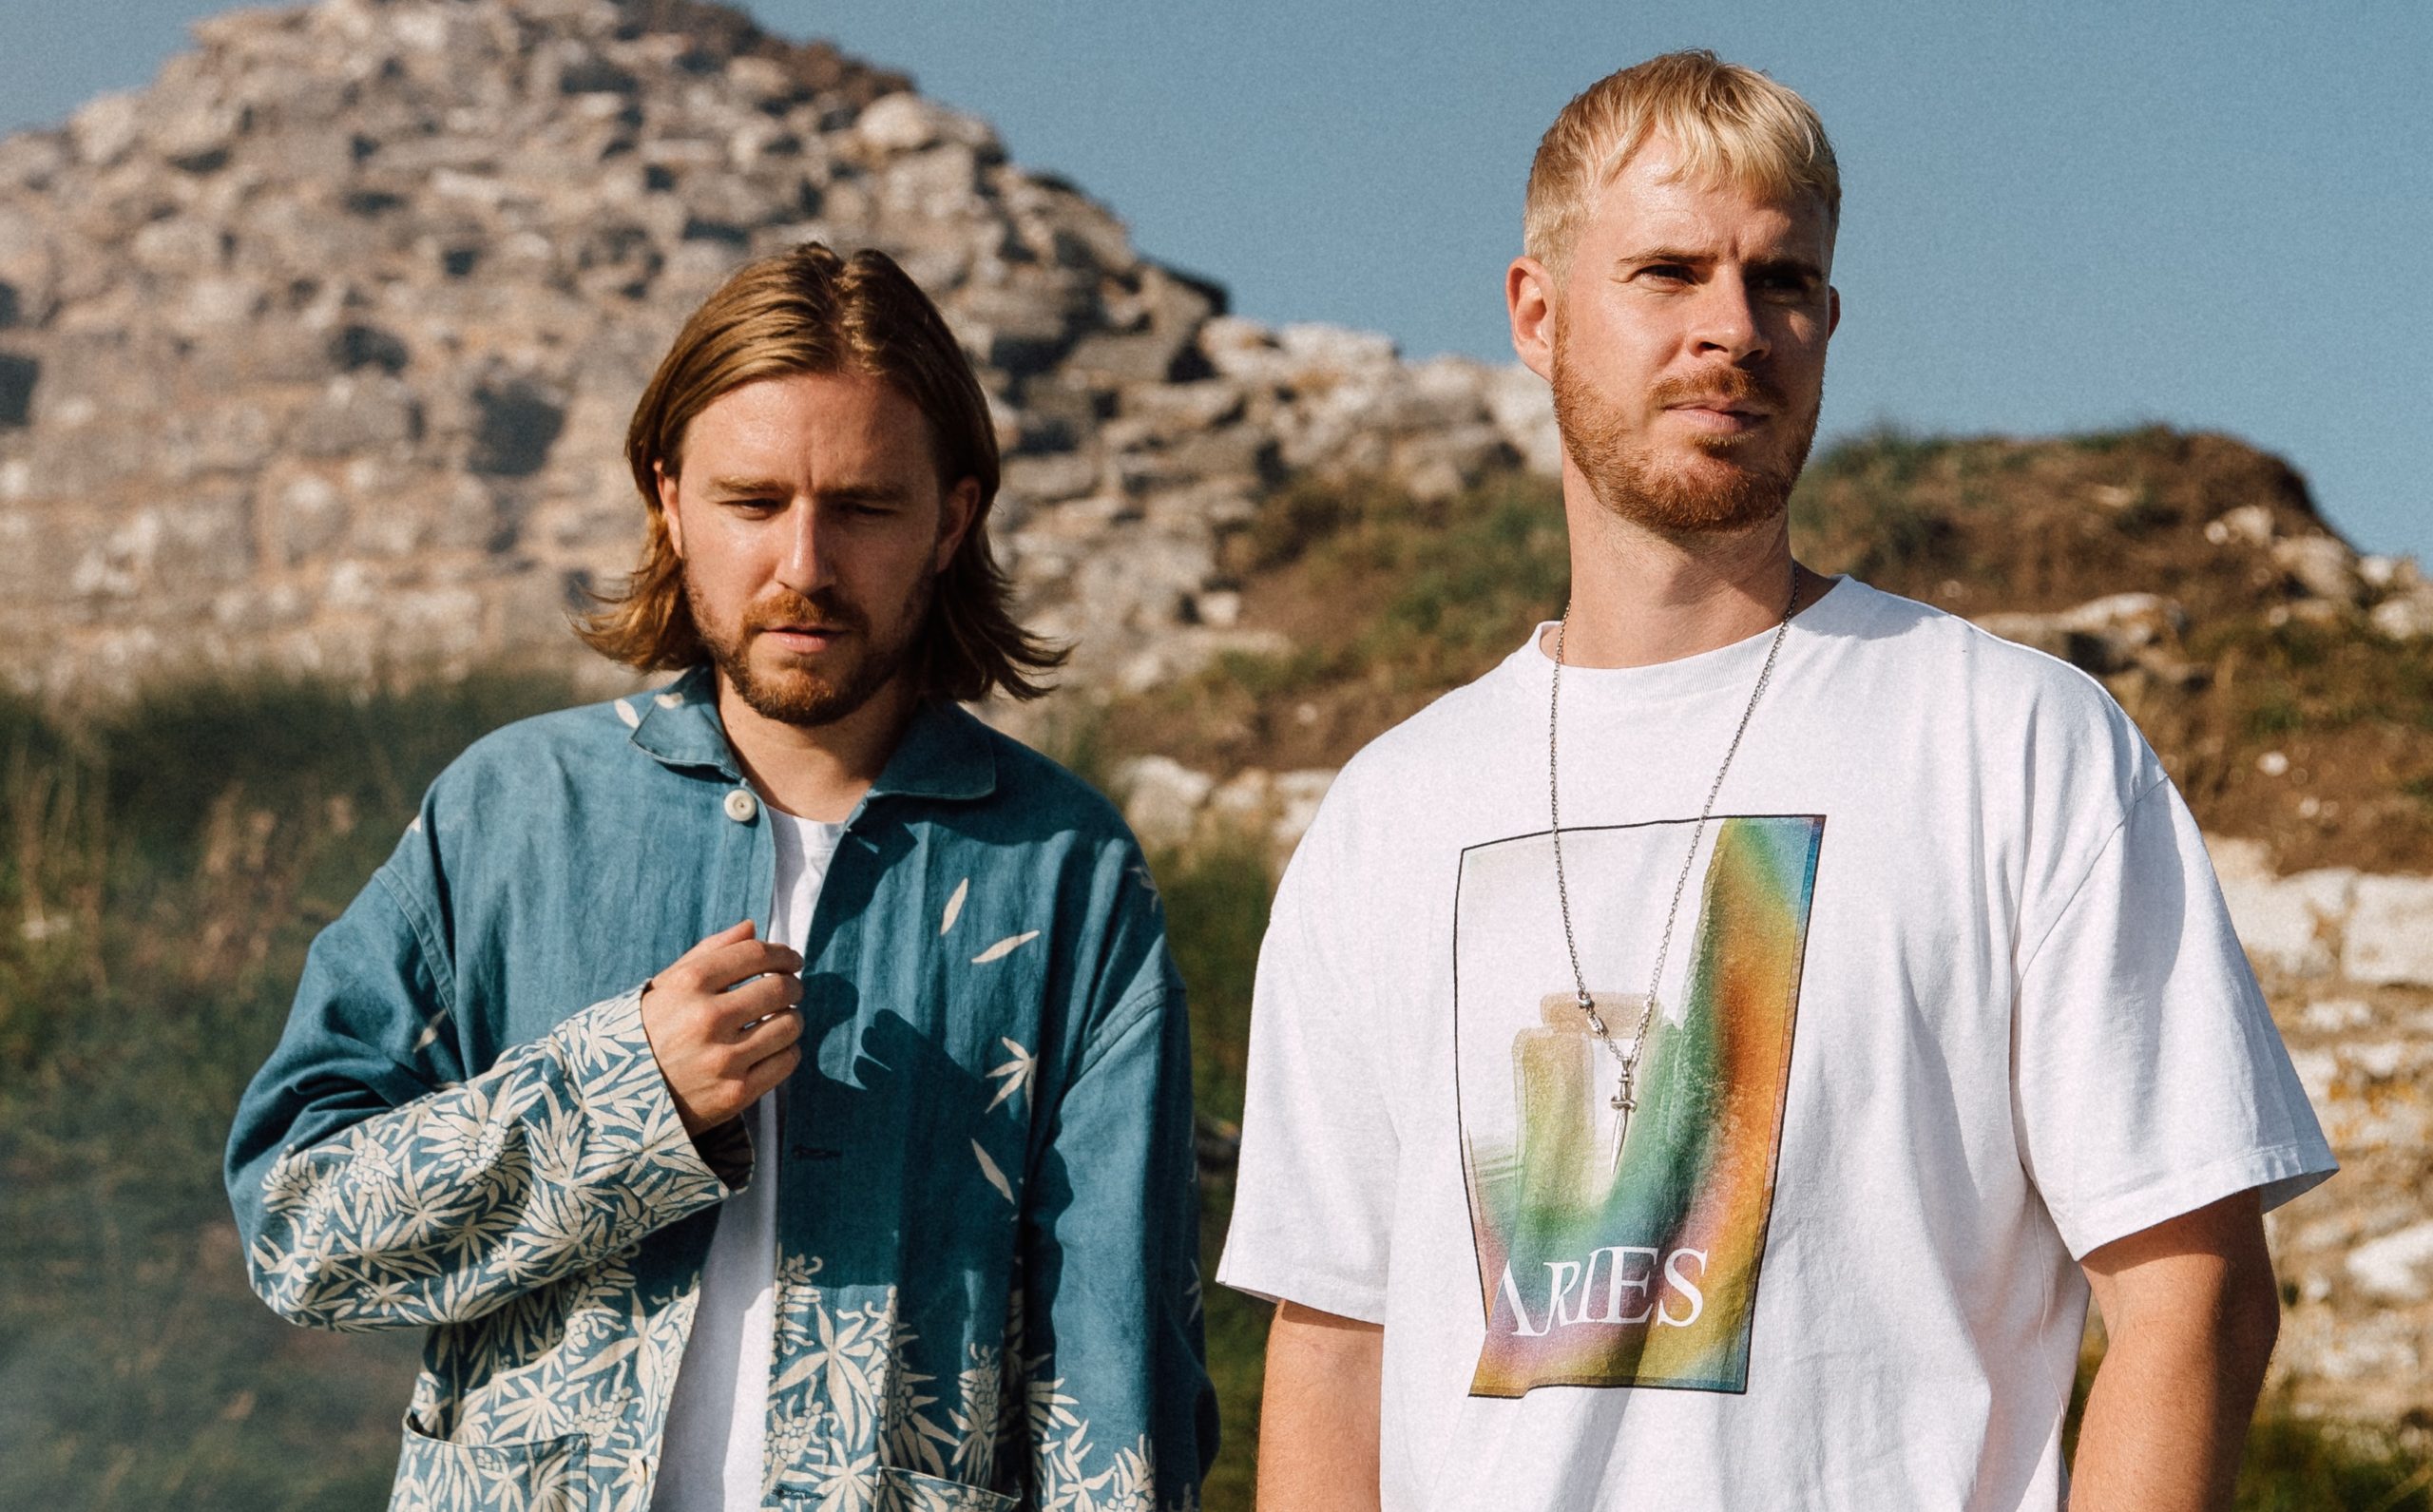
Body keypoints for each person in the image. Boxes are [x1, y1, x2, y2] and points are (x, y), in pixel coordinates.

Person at [1218, 50, 2333, 1512]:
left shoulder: (2019, 745)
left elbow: (2194, 1296)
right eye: (1669, 273)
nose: (1733, 331)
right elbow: (1333, 1353)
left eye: (1783, 282)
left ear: (1828, 321)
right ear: (1538, 316)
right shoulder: (1388, 816)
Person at [226, 242, 1216, 1512]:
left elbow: (1121, 1383)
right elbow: (296, 1227)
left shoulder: (1068, 871)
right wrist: (624, 1097)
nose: (804, 564)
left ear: (951, 520)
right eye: (753, 502)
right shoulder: (511, 814)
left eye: (863, 508)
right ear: (670, 501)